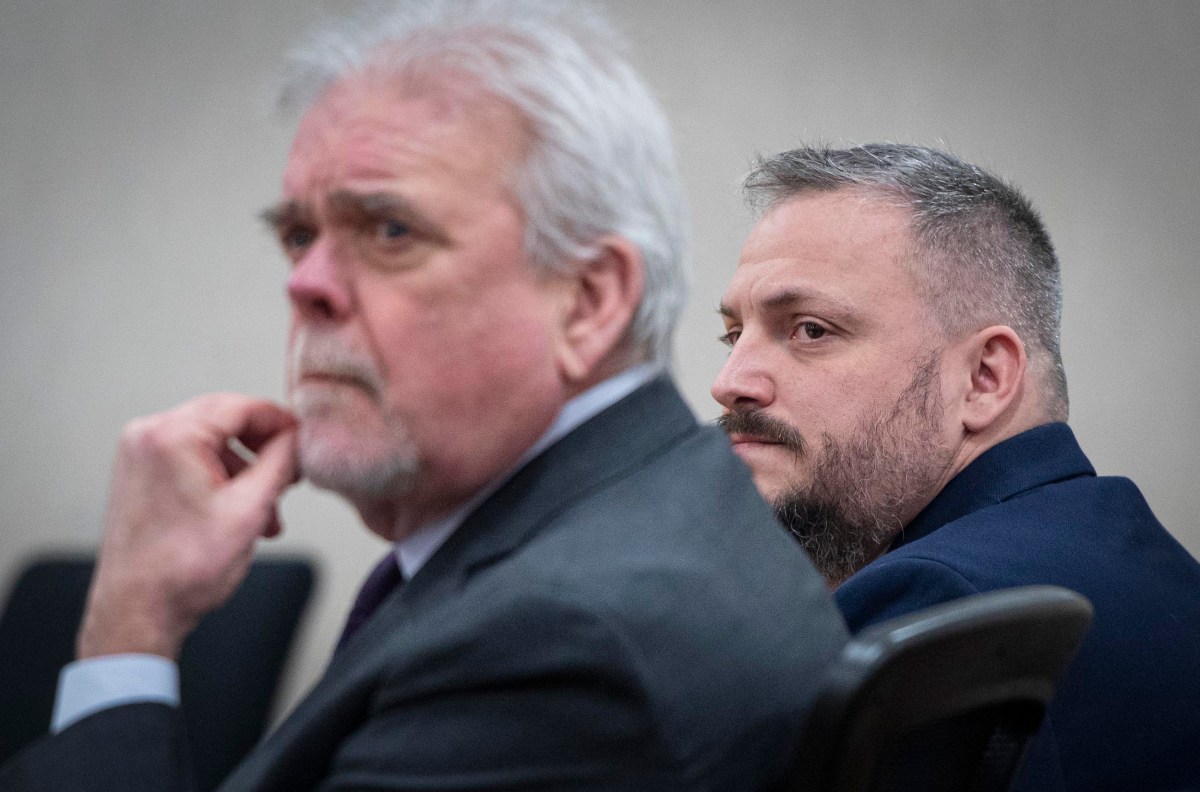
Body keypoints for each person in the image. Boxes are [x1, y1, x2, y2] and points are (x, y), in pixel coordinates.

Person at [0, 3, 848, 791]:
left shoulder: (558, 647)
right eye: (300, 235)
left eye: (389, 230)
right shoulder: (679, 494)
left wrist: (127, 633)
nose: (306, 284)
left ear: (588, 302)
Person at [712, 142, 1200, 791]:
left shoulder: (933, 598)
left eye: (810, 329)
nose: (732, 380)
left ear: (983, 378)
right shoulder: (1135, 544)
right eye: (732, 334)